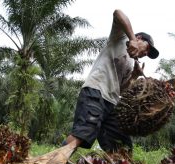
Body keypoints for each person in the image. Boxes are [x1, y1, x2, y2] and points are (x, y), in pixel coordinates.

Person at [64, 9, 159, 152]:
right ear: (139, 38)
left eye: (148, 54)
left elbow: (121, 90)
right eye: (147, 49)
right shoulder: (120, 38)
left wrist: (134, 75)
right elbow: (118, 13)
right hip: (95, 92)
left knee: (121, 145)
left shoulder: (131, 63)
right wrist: (131, 39)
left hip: (112, 102)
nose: (146, 54)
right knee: (82, 134)